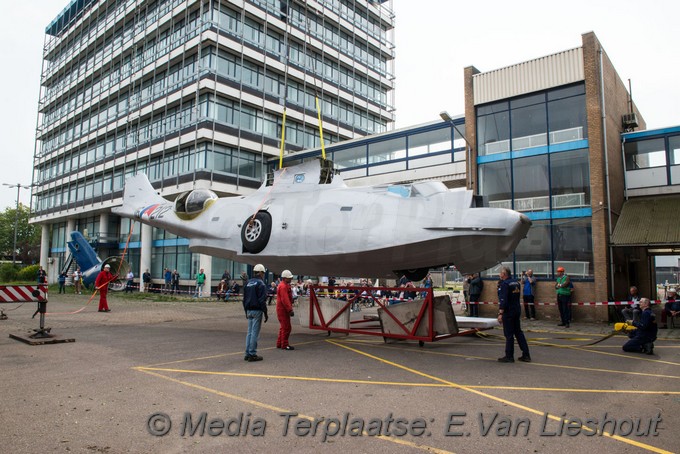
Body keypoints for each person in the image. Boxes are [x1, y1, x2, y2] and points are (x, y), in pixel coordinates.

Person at [496, 267, 531, 363]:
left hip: (508, 311)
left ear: (504, 274)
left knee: (509, 334)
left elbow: (503, 300)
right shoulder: (516, 283)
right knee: (518, 332)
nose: (499, 275)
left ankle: (509, 356)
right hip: (516, 310)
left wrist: (500, 313)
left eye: (500, 273)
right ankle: (526, 354)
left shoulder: (505, 284)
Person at [243, 264, 268, 362]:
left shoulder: (248, 283)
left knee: (249, 332)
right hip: (257, 310)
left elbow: (244, 299)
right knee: (254, 333)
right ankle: (252, 353)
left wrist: (246, 311)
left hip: (249, 309)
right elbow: (262, 300)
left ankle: (247, 353)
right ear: (261, 273)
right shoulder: (261, 284)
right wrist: (265, 312)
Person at [276, 269, 295, 350]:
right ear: (285, 278)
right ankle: (284, 344)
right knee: (287, 327)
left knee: (283, 327)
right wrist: (290, 310)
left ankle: (279, 343)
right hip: (283, 310)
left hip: (281, 309)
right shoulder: (284, 286)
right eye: (289, 278)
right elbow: (285, 299)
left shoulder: (282, 285)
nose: (291, 279)